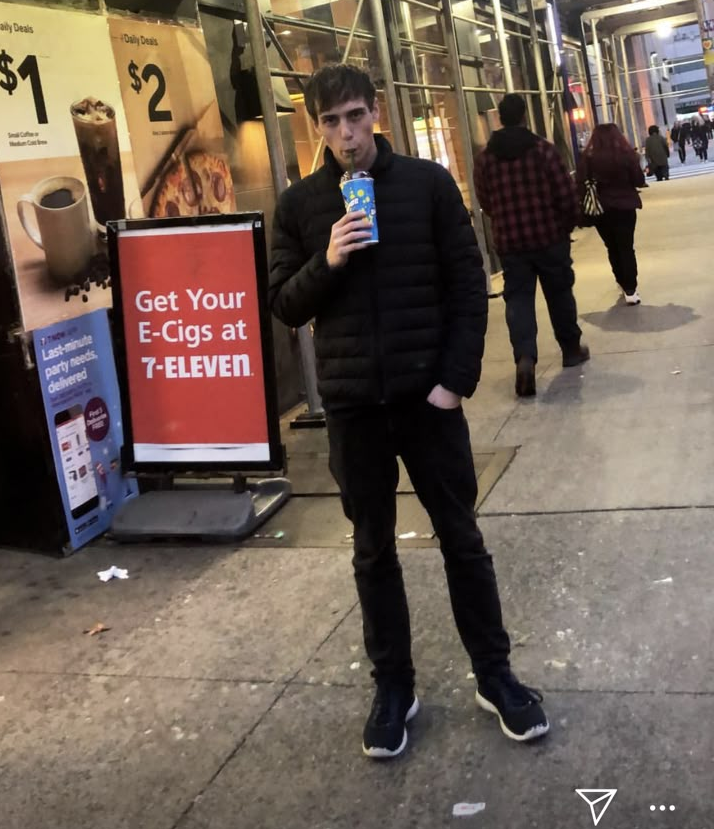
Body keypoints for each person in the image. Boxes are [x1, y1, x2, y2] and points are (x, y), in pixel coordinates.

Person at [269, 65, 549, 759]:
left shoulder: (427, 185)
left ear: (378, 113)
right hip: (355, 409)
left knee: (462, 538)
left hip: (428, 403)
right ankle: (393, 687)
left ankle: (496, 675)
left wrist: (452, 384)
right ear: (314, 125)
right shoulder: (301, 205)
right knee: (372, 552)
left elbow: (466, 284)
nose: (346, 134)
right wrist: (328, 257)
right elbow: (284, 304)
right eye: (331, 122)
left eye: (357, 117)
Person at [474, 93, 588, 399]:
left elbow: (485, 200)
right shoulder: (544, 151)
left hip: (511, 244)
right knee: (560, 293)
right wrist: (566, 226)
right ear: (524, 116)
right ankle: (571, 349)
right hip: (549, 238)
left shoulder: (486, 159)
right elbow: (565, 193)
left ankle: (525, 359)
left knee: (519, 301)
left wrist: (503, 219)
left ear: (499, 118)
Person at [576, 123, 646, 305]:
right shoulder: (627, 155)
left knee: (612, 247)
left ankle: (621, 282)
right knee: (626, 247)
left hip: (601, 209)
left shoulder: (588, 159)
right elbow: (639, 180)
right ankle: (631, 289)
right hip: (625, 206)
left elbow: (580, 183)